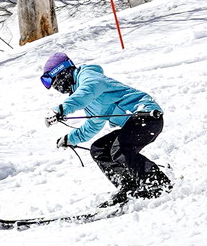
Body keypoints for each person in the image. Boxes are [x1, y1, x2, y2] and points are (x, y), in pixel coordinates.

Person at [39, 50, 171, 204]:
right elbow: (93, 125)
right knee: (99, 149)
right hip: (133, 123)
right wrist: (70, 138)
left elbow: (86, 91)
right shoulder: (89, 98)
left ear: (62, 73)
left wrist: (60, 110)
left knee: (120, 149)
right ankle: (128, 186)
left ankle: (158, 183)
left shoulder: (88, 77)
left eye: (54, 82)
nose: (55, 87)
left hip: (146, 116)